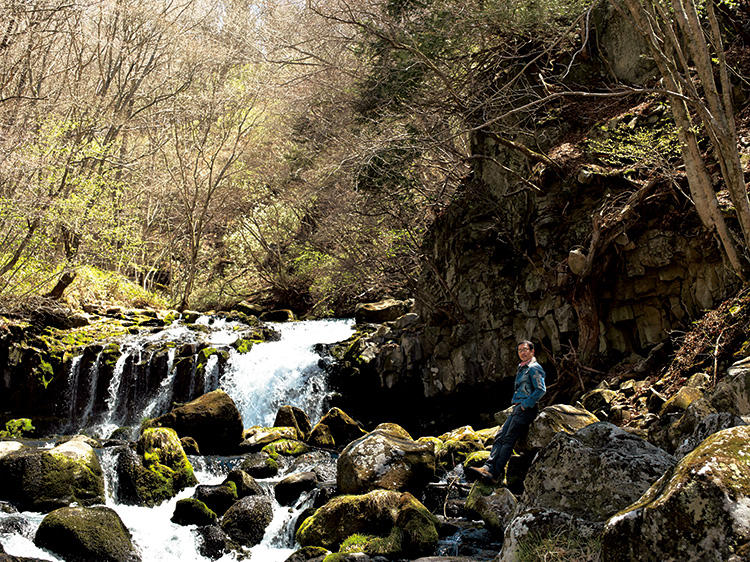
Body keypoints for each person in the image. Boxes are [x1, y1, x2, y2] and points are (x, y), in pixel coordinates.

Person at [467, 340, 546, 484]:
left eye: (525, 349)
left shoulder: (534, 368)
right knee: (500, 436)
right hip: (518, 408)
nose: (522, 352)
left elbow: (541, 389)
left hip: (526, 409)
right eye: (520, 350)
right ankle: (487, 467)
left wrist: (525, 405)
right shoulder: (522, 368)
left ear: (532, 351)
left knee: (508, 439)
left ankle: (494, 473)